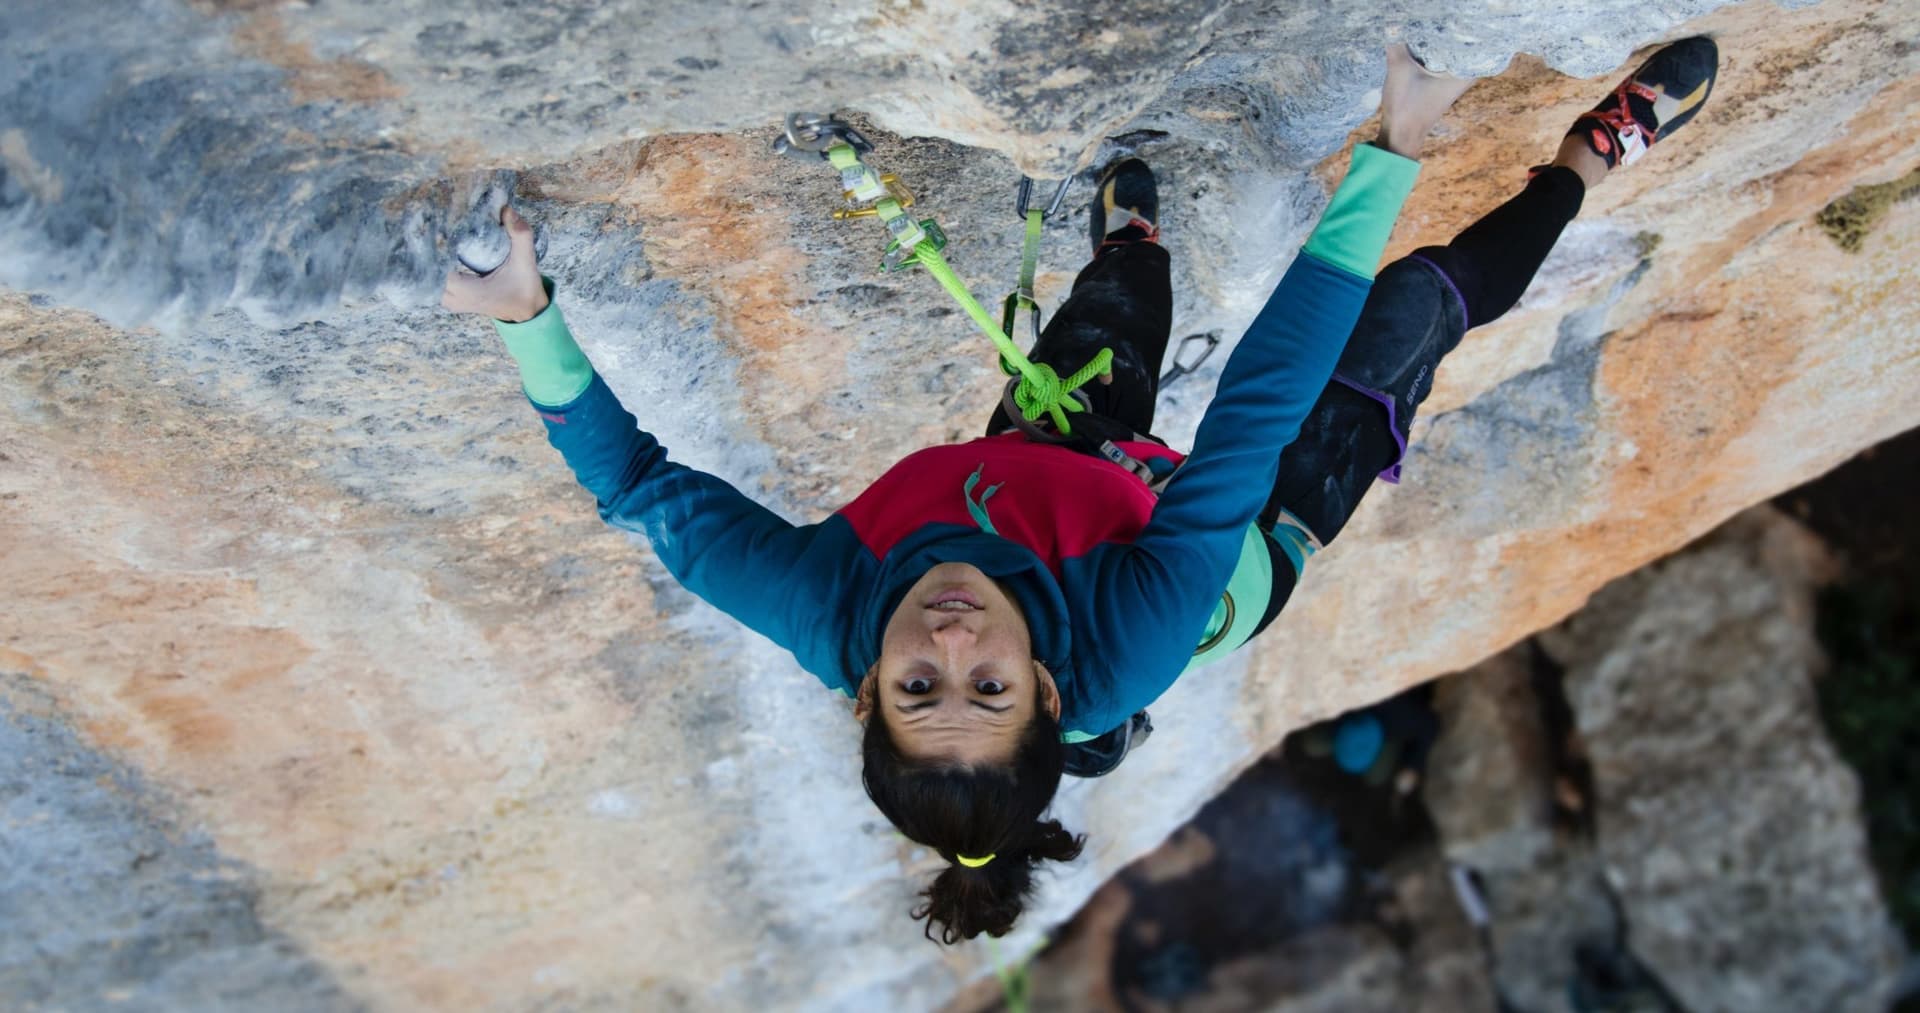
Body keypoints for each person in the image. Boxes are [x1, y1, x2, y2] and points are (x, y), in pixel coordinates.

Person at [440, 37, 1719, 943]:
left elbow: (642, 488)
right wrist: (1389, 152)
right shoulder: (1140, 635)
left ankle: (1131, 238)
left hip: (1049, 488)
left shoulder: (819, 601)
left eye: (917, 685)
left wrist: (524, 314)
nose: (945, 643)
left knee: (1122, 301)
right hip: (1226, 542)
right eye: (985, 685)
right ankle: (1591, 159)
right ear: (1047, 687)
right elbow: (1255, 412)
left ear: (860, 685)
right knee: (1409, 308)